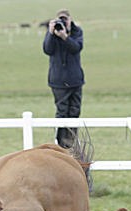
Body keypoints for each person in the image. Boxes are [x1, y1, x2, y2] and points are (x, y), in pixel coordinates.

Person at [42, 8, 85, 149]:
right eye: (60, 19)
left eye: (65, 19)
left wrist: (65, 37)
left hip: (75, 79)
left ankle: (71, 142)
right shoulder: (52, 35)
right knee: (62, 112)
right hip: (58, 81)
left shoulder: (77, 32)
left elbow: (76, 48)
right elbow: (47, 50)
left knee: (74, 111)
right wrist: (50, 32)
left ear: (70, 20)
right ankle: (61, 144)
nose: (63, 22)